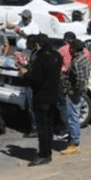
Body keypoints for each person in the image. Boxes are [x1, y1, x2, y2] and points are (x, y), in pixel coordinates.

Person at [25, 33, 62, 166]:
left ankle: (44, 154)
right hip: (53, 96)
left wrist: (25, 74)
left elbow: (36, 79)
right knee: (50, 126)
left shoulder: (41, 58)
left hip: (42, 97)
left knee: (43, 128)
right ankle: (47, 152)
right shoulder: (56, 56)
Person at [61, 38, 91, 156]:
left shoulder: (77, 62)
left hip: (74, 93)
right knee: (75, 116)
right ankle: (73, 140)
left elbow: (78, 80)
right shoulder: (85, 59)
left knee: (72, 118)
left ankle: (74, 144)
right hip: (80, 92)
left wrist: (73, 90)